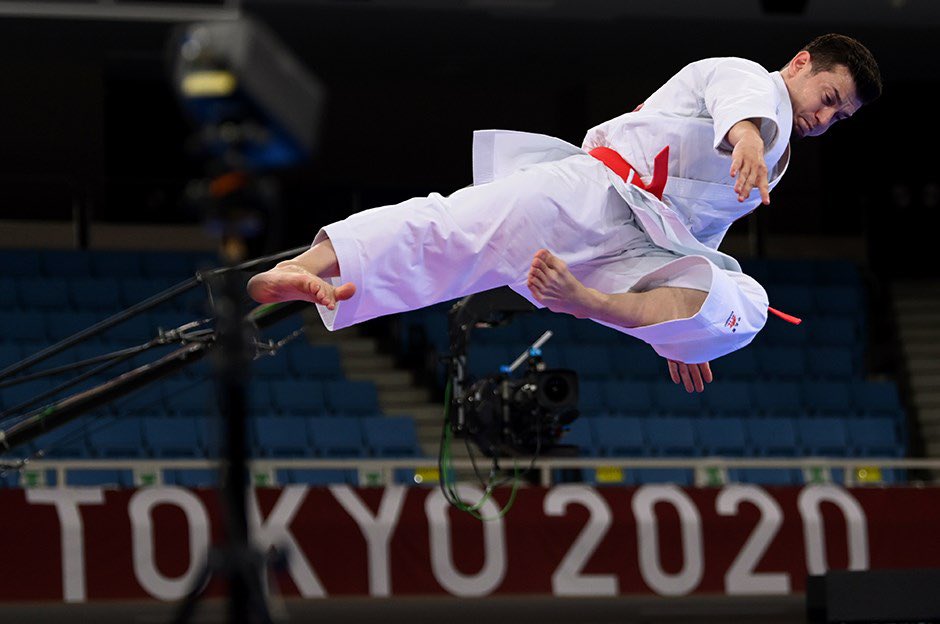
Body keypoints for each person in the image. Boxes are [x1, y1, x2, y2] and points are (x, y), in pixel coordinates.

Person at [248, 33, 881, 392]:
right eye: (828, 99)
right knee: (453, 227)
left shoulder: (778, 160)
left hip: (641, 254)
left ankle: (596, 305)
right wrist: (746, 135)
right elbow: (737, 106)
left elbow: (703, 233)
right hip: (593, 194)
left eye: (839, 118)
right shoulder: (747, 81)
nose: (825, 119)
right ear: (800, 62)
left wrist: (677, 329)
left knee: (741, 308)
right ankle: (304, 268)